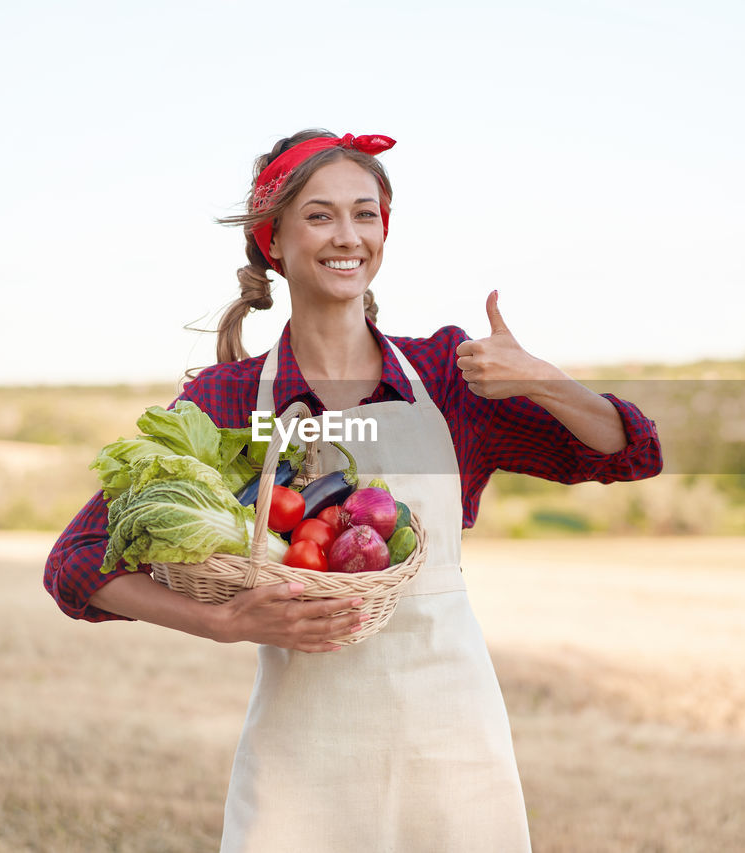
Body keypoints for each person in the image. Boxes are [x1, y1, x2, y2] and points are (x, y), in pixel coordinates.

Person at [44, 129, 663, 851]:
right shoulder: (232, 396)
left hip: (451, 749)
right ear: (273, 240)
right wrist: (226, 622)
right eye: (321, 214)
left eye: (365, 214)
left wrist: (540, 378)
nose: (349, 236)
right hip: (302, 764)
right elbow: (77, 560)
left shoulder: (445, 374)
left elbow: (629, 452)